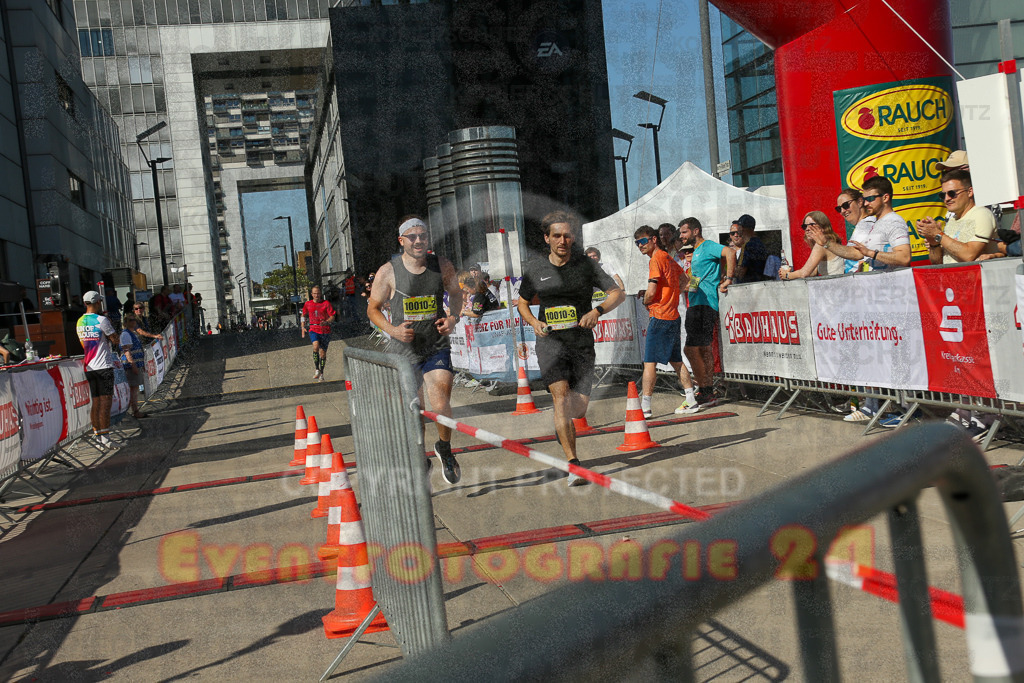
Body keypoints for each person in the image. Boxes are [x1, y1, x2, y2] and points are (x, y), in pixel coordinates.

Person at [518, 211, 625, 486]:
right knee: (560, 398)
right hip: (550, 344)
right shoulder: (536, 268)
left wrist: (597, 311)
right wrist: (533, 322)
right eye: (556, 236)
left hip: (580, 344)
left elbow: (617, 293)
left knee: (578, 409)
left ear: (573, 237)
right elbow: (521, 302)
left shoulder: (585, 266)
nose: (562, 240)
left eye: (567, 235)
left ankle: (567, 433)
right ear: (547, 238)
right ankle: (573, 462)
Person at [367, 215, 464, 485]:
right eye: (412, 237)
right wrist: (393, 330)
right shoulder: (388, 271)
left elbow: (456, 294)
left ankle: (444, 447)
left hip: (435, 345)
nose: (419, 240)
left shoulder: (442, 265)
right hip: (404, 350)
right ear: (402, 241)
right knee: (415, 408)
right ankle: (420, 455)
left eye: (423, 236)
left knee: (441, 397)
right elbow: (372, 309)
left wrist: (453, 318)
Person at [633, 225, 699, 417]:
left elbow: (653, 291)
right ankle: (691, 399)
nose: (640, 246)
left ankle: (645, 406)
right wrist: (669, 295)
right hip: (673, 316)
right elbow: (687, 282)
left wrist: (648, 299)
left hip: (660, 316)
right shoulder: (668, 257)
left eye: (644, 241)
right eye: (637, 243)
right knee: (676, 360)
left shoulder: (656, 259)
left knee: (650, 362)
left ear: (654, 239)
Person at [678, 217, 736, 409]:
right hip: (696, 303)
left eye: (684, 232)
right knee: (699, 349)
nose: (681, 236)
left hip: (705, 304)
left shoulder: (708, 245)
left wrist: (728, 278)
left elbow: (730, 251)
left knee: (694, 349)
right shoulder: (695, 253)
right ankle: (706, 390)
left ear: (695, 231)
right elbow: (701, 277)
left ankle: (706, 390)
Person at [808, 176, 911, 271]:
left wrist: (870, 253)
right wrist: (827, 243)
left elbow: (904, 257)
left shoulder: (894, 221)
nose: (865, 203)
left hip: (892, 289)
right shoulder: (877, 224)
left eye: (870, 199)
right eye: (865, 199)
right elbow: (857, 254)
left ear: (885, 198)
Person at [916, 169, 997, 265]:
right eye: (943, 195)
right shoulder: (951, 220)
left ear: (970, 192)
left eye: (952, 193)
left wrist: (938, 235)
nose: (947, 199)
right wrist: (934, 244)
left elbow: (969, 255)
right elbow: (937, 262)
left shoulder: (982, 214)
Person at [76, 291, 121, 448]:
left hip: (89, 366)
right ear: (96, 303)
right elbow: (115, 339)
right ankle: (106, 438)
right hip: (103, 366)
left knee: (95, 402)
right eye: (100, 302)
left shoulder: (80, 321)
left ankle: (98, 437)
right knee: (106, 402)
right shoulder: (102, 320)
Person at [779, 212, 844, 279]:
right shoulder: (828, 242)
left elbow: (804, 273)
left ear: (822, 226)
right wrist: (792, 273)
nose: (807, 229)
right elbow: (813, 272)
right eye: (805, 226)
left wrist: (787, 275)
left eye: (811, 225)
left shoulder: (821, 245)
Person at [301, 285, 336, 381]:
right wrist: (302, 326)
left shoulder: (326, 303)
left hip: (325, 330)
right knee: (315, 346)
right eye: (315, 293)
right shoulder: (308, 304)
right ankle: (316, 369)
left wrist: (327, 322)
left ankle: (322, 373)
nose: (317, 295)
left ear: (321, 294)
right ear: (312, 294)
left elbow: (332, 316)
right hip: (313, 328)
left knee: (323, 354)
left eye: (318, 293)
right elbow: (303, 315)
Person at [119, 315, 147, 418]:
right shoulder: (125, 334)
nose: (134, 322)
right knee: (133, 390)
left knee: (134, 389)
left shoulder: (133, 333)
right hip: (130, 366)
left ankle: (135, 410)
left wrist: (141, 364)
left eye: (134, 319)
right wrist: (133, 365)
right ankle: (135, 411)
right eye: (131, 320)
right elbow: (127, 351)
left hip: (136, 364)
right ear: (126, 323)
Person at [732, 214, 770, 283]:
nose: (737, 229)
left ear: (742, 228)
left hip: (747, 287)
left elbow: (740, 273)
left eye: (738, 226)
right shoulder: (759, 243)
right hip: (758, 284)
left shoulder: (748, 245)